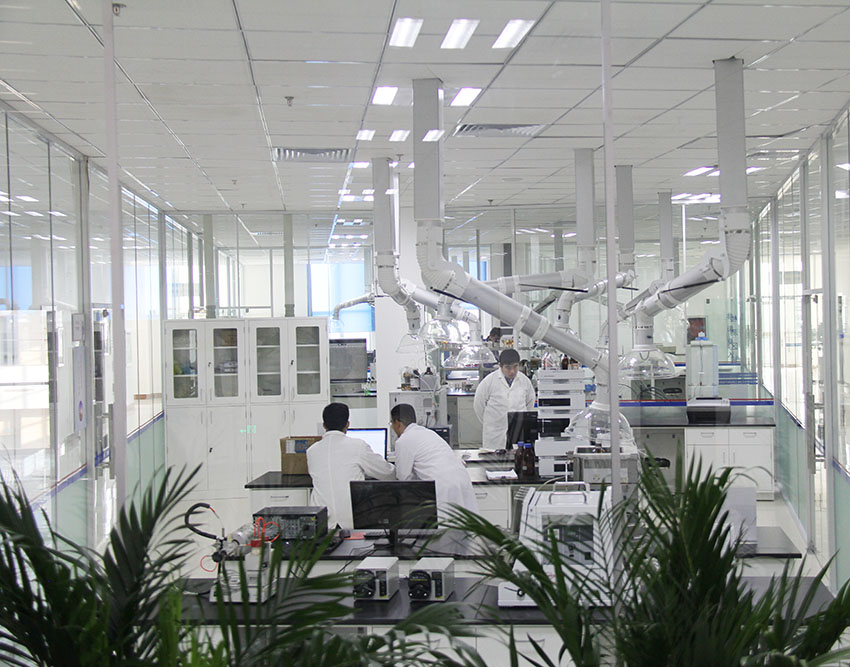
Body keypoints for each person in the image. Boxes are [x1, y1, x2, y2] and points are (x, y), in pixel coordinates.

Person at [306, 402, 395, 529]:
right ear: (347, 424)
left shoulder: (311, 451)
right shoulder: (358, 446)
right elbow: (387, 473)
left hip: (321, 522)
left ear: (324, 425)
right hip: (351, 521)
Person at [390, 403, 478, 518]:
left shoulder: (403, 441)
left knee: (445, 525)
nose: (392, 427)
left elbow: (403, 478)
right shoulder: (428, 433)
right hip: (461, 478)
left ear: (397, 423)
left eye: (391, 423)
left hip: (443, 485)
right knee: (464, 523)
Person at [473, 348, 536, 448]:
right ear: (500, 366)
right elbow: (478, 406)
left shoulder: (525, 381)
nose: (512, 371)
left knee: (518, 456)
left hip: (518, 431)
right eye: (508, 368)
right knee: (494, 457)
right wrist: (491, 423)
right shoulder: (489, 382)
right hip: (495, 434)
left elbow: (530, 403)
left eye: (515, 366)